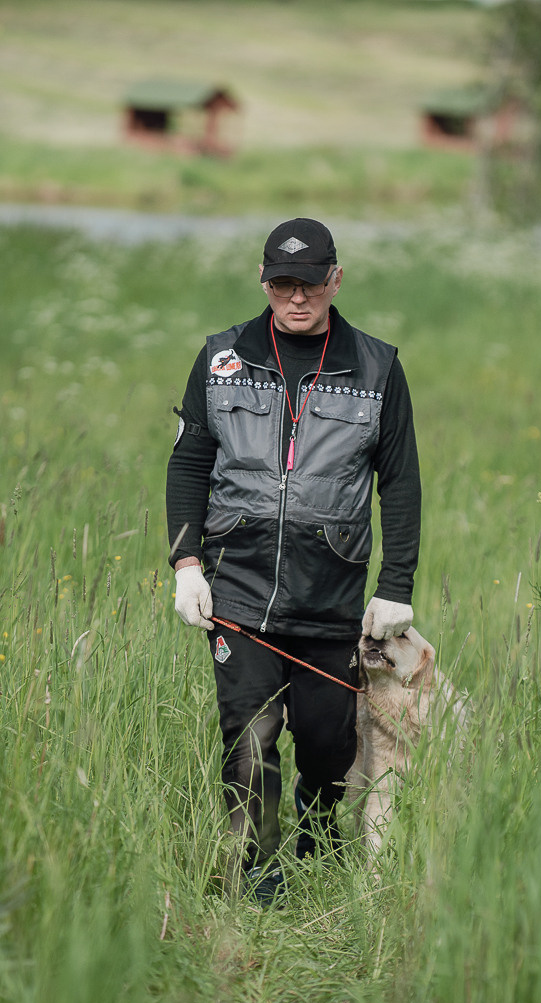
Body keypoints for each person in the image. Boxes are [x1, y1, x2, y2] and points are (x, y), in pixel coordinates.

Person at [166, 217, 421, 904]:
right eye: (282, 283)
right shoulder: (222, 359)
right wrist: (186, 563)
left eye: (310, 283)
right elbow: (190, 461)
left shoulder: (376, 367)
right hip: (239, 590)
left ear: (337, 280)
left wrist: (395, 584)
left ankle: (317, 824)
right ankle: (256, 869)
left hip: (332, 595)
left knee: (328, 740)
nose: (297, 297)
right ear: (263, 280)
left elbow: (399, 480)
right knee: (248, 733)